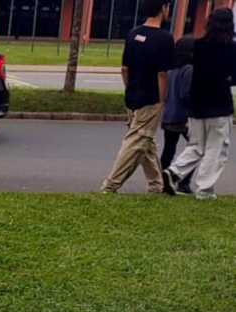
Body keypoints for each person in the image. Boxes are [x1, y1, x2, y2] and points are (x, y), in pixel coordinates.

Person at [99, 0, 175, 195]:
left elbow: (125, 69)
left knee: (145, 141)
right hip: (150, 98)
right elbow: (162, 74)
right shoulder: (165, 38)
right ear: (163, 8)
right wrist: (162, 99)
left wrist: (130, 88)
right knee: (136, 143)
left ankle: (156, 186)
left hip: (132, 95)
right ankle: (110, 186)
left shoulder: (133, 33)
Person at [163, 8, 236, 201]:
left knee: (196, 145)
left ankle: (174, 171)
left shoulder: (199, 45)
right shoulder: (231, 48)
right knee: (216, 148)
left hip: (196, 105)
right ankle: (204, 190)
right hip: (219, 105)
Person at [160, 35, 195, 195]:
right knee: (195, 149)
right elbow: (186, 94)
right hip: (183, 117)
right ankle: (183, 181)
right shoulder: (189, 70)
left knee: (168, 149)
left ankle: (161, 179)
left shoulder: (171, 69)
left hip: (169, 114)